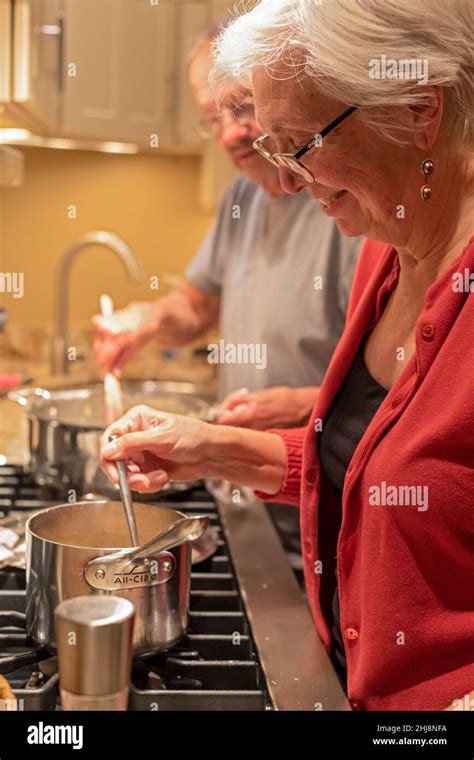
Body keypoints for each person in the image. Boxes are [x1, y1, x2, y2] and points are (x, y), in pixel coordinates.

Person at [100, 0, 474, 711]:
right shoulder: (383, 255)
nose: (289, 181)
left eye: (299, 143)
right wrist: (213, 449)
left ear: (418, 109)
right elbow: (368, 475)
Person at [92, 23, 361, 430]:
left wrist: (309, 405)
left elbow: (395, 379)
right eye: (212, 118)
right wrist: (151, 317)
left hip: (314, 472)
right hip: (240, 473)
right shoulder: (242, 195)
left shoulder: (347, 199)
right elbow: (199, 306)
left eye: (242, 107)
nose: (230, 134)